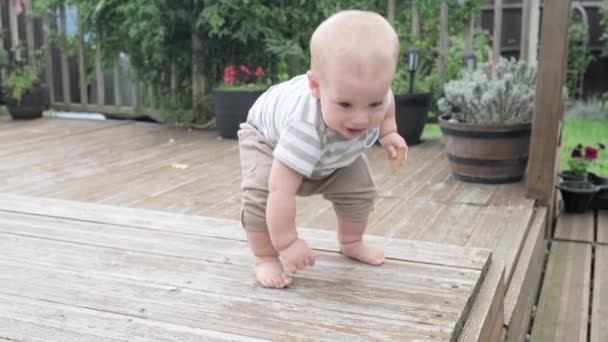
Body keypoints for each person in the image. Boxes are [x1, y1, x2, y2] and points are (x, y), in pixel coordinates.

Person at [237, 10, 407, 288]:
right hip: (268, 140)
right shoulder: (304, 126)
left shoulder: (374, 93)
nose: (362, 119)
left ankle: (351, 241)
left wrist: (389, 133)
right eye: (346, 105)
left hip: (335, 146)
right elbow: (282, 190)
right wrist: (288, 241)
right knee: (261, 193)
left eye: (373, 104)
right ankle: (264, 256)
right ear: (316, 87)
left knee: (360, 190)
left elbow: (388, 105)